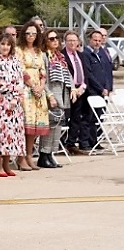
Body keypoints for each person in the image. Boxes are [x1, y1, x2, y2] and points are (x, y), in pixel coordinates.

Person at [15, 20, 52, 170]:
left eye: (34, 33)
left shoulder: (39, 52)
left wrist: (41, 86)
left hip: (38, 90)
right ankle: (21, 157)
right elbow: (20, 70)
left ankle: (30, 155)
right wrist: (32, 86)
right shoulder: (19, 50)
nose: (31, 36)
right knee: (25, 124)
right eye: (28, 33)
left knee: (35, 126)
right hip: (26, 89)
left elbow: (43, 71)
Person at [0, 33, 25, 177]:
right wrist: (12, 89)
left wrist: (16, 96)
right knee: (0, 134)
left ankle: (7, 164)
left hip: (14, 102)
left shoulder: (15, 60)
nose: (5, 47)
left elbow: (20, 80)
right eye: (2, 44)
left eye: (8, 44)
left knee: (11, 134)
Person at [38, 30, 73, 168]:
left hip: (62, 95)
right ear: (45, 41)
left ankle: (51, 153)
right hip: (51, 95)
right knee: (51, 126)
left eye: (56, 38)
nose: (55, 41)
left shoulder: (59, 57)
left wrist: (74, 88)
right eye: (51, 38)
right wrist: (49, 95)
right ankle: (43, 154)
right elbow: (43, 78)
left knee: (58, 126)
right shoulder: (44, 56)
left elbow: (68, 74)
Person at [81, 29, 112, 150]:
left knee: (97, 118)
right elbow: (89, 74)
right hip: (92, 91)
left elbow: (106, 72)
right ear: (90, 40)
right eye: (95, 40)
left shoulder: (101, 54)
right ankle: (84, 142)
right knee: (88, 117)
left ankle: (94, 141)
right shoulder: (86, 54)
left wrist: (107, 87)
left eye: (99, 40)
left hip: (102, 92)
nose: (97, 42)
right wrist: (100, 88)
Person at [62, 31, 89, 154]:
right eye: (69, 40)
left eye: (74, 40)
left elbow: (85, 73)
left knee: (76, 118)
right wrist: (72, 89)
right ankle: (61, 143)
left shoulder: (81, 55)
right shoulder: (61, 56)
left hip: (80, 91)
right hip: (67, 91)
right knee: (64, 118)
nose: (72, 42)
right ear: (65, 42)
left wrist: (82, 88)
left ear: (78, 42)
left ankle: (71, 143)